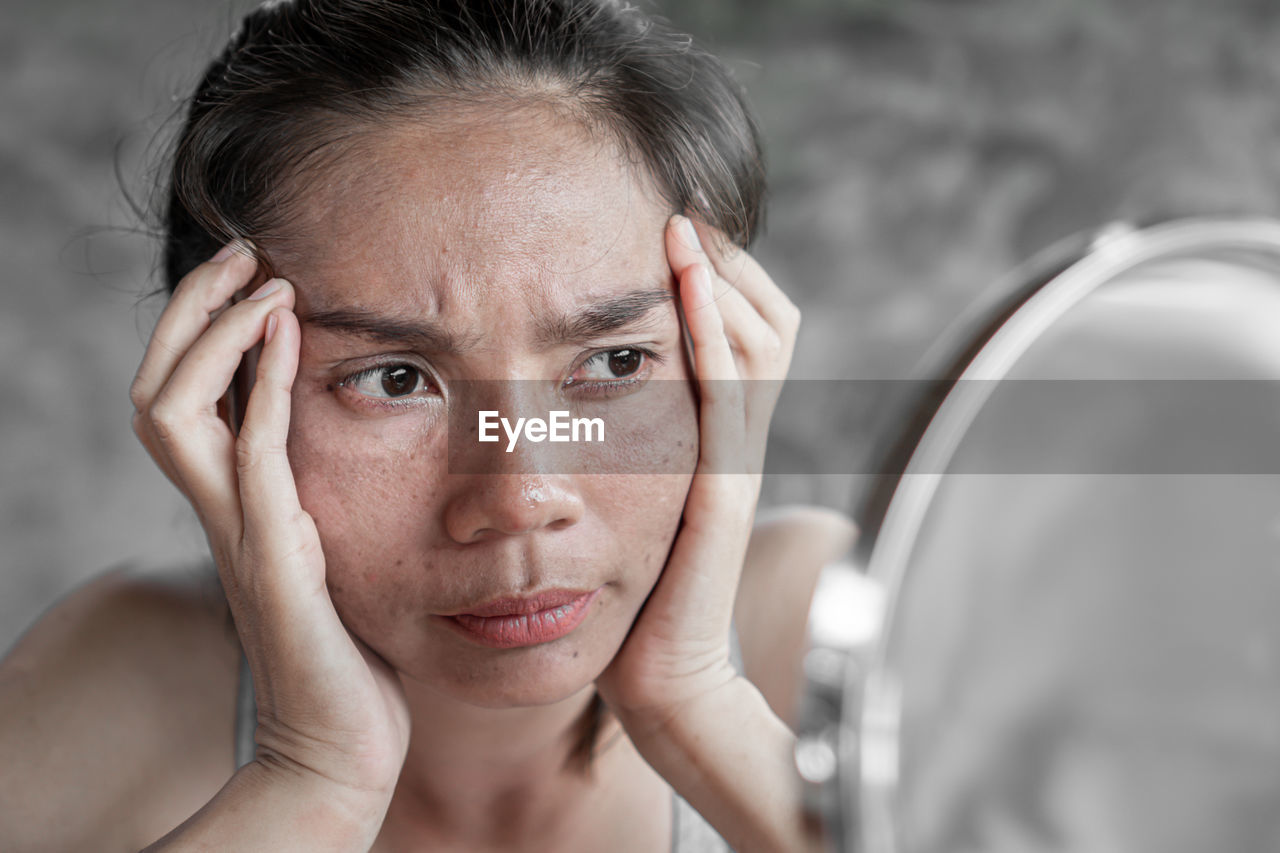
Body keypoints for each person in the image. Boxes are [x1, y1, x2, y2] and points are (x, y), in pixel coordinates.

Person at [0, 1, 856, 850]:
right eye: (395, 379)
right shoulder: (103, 694)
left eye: (617, 363)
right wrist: (314, 777)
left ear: (731, 366)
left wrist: (702, 703)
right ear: (222, 400)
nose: (520, 498)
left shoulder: (833, 638)